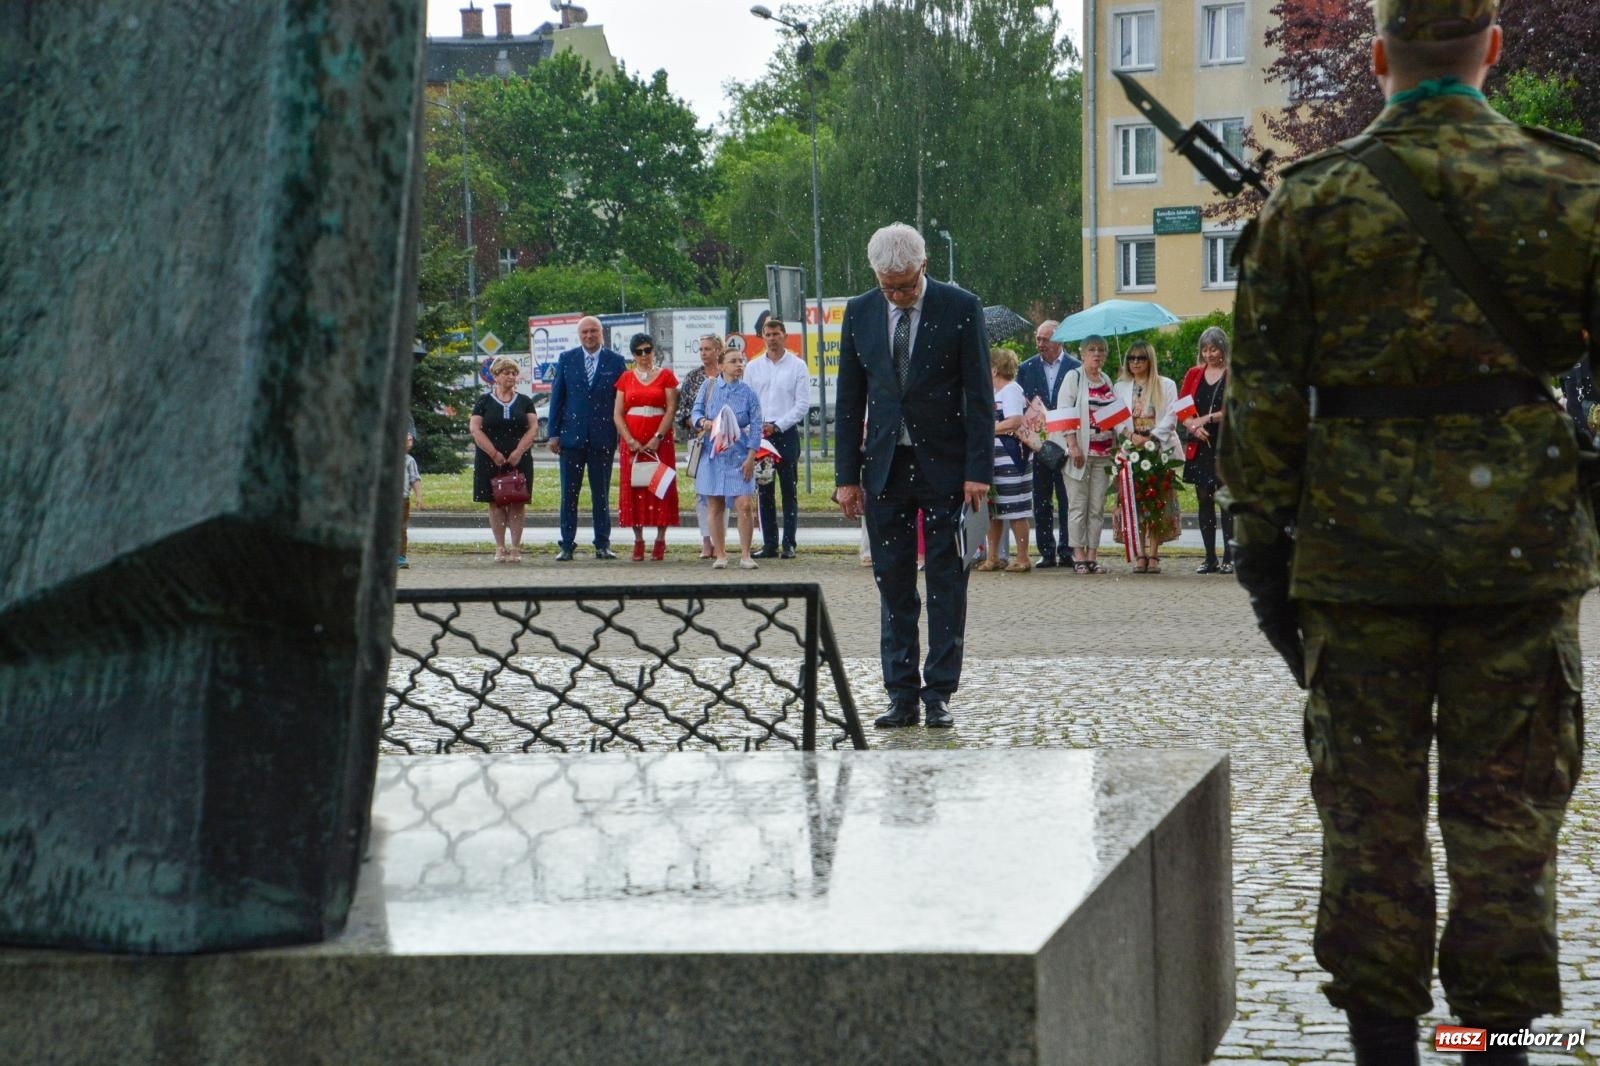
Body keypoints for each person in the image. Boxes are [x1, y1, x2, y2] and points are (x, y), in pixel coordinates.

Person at [1218, 2, 1598, 1062]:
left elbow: (1259, 407)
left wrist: (1263, 560)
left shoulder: (1311, 202)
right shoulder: (1574, 189)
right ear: (1494, 50)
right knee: (1505, 835)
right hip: (1516, 567)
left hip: (1357, 564)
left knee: (1370, 837)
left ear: (1377, 55)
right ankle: (1489, 1048)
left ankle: (1382, 1052)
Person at [833, 222, 993, 730]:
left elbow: (979, 395)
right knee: (894, 584)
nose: (898, 295)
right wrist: (845, 476)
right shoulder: (860, 312)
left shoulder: (960, 307)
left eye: (905, 285)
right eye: (888, 287)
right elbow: (849, 396)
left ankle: (938, 692)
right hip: (884, 469)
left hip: (946, 469)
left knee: (947, 582)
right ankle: (900, 693)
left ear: (924, 266)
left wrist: (977, 471)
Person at [547, 315, 625, 561]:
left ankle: (602, 544)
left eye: (593, 331)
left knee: (600, 494)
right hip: (571, 438)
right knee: (569, 494)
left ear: (601, 333)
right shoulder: (567, 360)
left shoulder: (616, 361)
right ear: (579, 335)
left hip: (603, 438)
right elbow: (557, 398)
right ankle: (567, 544)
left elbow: (622, 401)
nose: (589, 336)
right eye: (584, 332)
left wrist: (622, 434)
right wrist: (553, 433)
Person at [744, 316, 810, 559]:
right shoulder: (753, 367)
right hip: (761, 436)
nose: (772, 339)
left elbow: (802, 404)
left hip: (785, 433)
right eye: (768, 334)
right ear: (762, 337)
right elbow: (749, 401)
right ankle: (769, 543)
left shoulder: (797, 366)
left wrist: (778, 425)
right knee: (764, 490)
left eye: (776, 334)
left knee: (788, 490)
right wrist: (758, 427)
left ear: (785, 336)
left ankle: (789, 543)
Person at [692, 346, 763, 569]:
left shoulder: (748, 392)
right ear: (721, 365)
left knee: (744, 504)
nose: (739, 365)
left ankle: (745, 554)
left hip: (739, 455)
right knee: (715, 504)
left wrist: (751, 456)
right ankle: (720, 554)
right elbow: (695, 412)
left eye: (741, 361)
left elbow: (757, 425)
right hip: (713, 454)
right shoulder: (709, 386)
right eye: (733, 361)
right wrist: (704, 423)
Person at [1113, 340, 1181, 573]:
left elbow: (1172, 417)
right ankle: (1139, 553)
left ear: (1150, 360)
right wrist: (1131, 436)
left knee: (1156, 502)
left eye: (1140, 358)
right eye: (1131, 358)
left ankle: (1154, 554)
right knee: (1135, 503)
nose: (1135, 362)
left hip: (1157, 449)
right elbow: (1115, 419)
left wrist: (1151, 436)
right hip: (1132, 449)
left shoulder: (1166, 385)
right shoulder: (1120, 387)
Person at [1016, 319, 1080, 567]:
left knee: (1067, 499)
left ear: (1059, 340)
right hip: (1040, 442)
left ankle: (1068, 550)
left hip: (1067, 439)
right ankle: (1046, 550)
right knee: (1041, 498)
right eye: (1038, 338)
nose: (1039, 343)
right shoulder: (1027, 367)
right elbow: (1021, 402)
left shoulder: (1075, 367)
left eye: (1045, 339)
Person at [613, 332, 679, 561]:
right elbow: (618, 413)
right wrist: (629, 439)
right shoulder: (625, 378)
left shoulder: (666, 376)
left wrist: (658, 437)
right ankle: (638, 540)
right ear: (633, 355)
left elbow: (671, 409)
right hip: (632, 441)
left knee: (659, 486)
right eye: (638, 352)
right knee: (635, 488)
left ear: (653, 351)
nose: (644, 356)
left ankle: (660, 539)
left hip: (659, 439)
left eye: (647, 350)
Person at [469, 357, 538, 564]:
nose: (511, 377)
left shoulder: (525, 401)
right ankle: (500, 547)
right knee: (495, 503)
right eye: (506, 373)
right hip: (490, 459)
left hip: (519, 459)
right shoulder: (484, 401)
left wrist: (518, 451)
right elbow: (475, 428)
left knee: (517, 502)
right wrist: (494, 453)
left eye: (514, 373)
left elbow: (533, 428)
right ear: (496, 376)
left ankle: (516, 547)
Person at [1059, 336, 1117, 574]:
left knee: (1097, 507)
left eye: (1101, 350)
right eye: (1092, 350)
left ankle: (1093, 554)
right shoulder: (1075, 377)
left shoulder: (1106, 379)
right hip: (1080, 453)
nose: (1097, 354)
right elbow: (1065, 412)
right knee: (1078, 506)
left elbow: (1114, 414)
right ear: (1082, 354)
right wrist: (1073, 445)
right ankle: (1078, 554)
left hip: (1103, 453)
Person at [1181, 327, 1235, 574]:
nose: (1209, 354)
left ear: (1223, 348)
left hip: (1225, 445)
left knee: (1225, 501)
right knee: (1204, 500)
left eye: (1214, 349)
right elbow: (1182, 409)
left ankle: (1230, 557)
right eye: (1205, 349)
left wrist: (1208, 419)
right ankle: (1209, 556)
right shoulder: (1194, 374)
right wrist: (1193, 426)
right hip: (1200, 446)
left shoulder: (1233, 375)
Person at [977, 348, 1033, 573]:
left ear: (994, 369)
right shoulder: (992, 391)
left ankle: (1022, 557)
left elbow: (1014, 421)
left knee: (1015, 508)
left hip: (1011, 457)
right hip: (994, 457)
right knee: (995, 509)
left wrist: (986, 429)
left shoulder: (1011, 390)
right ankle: (993, 557)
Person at [678, 334, 723, 559]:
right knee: (702, 492)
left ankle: (719, 541)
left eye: (708, 349)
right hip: (699, 440)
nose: (704, 353)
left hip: (724, 441)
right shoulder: (693, 377)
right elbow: (683, 411)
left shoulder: (728, 376)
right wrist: (699, 425)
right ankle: (706, 541)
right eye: (701, 349)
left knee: (722, 492)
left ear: (718, 350)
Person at [398, 431, 423, 569]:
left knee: (401, 528)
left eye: (410, 439)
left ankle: (400, 556)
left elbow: (415, 479)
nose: (409, 442)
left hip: (403, 499)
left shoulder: (409, 460)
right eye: (406, 439)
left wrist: (419, 496)